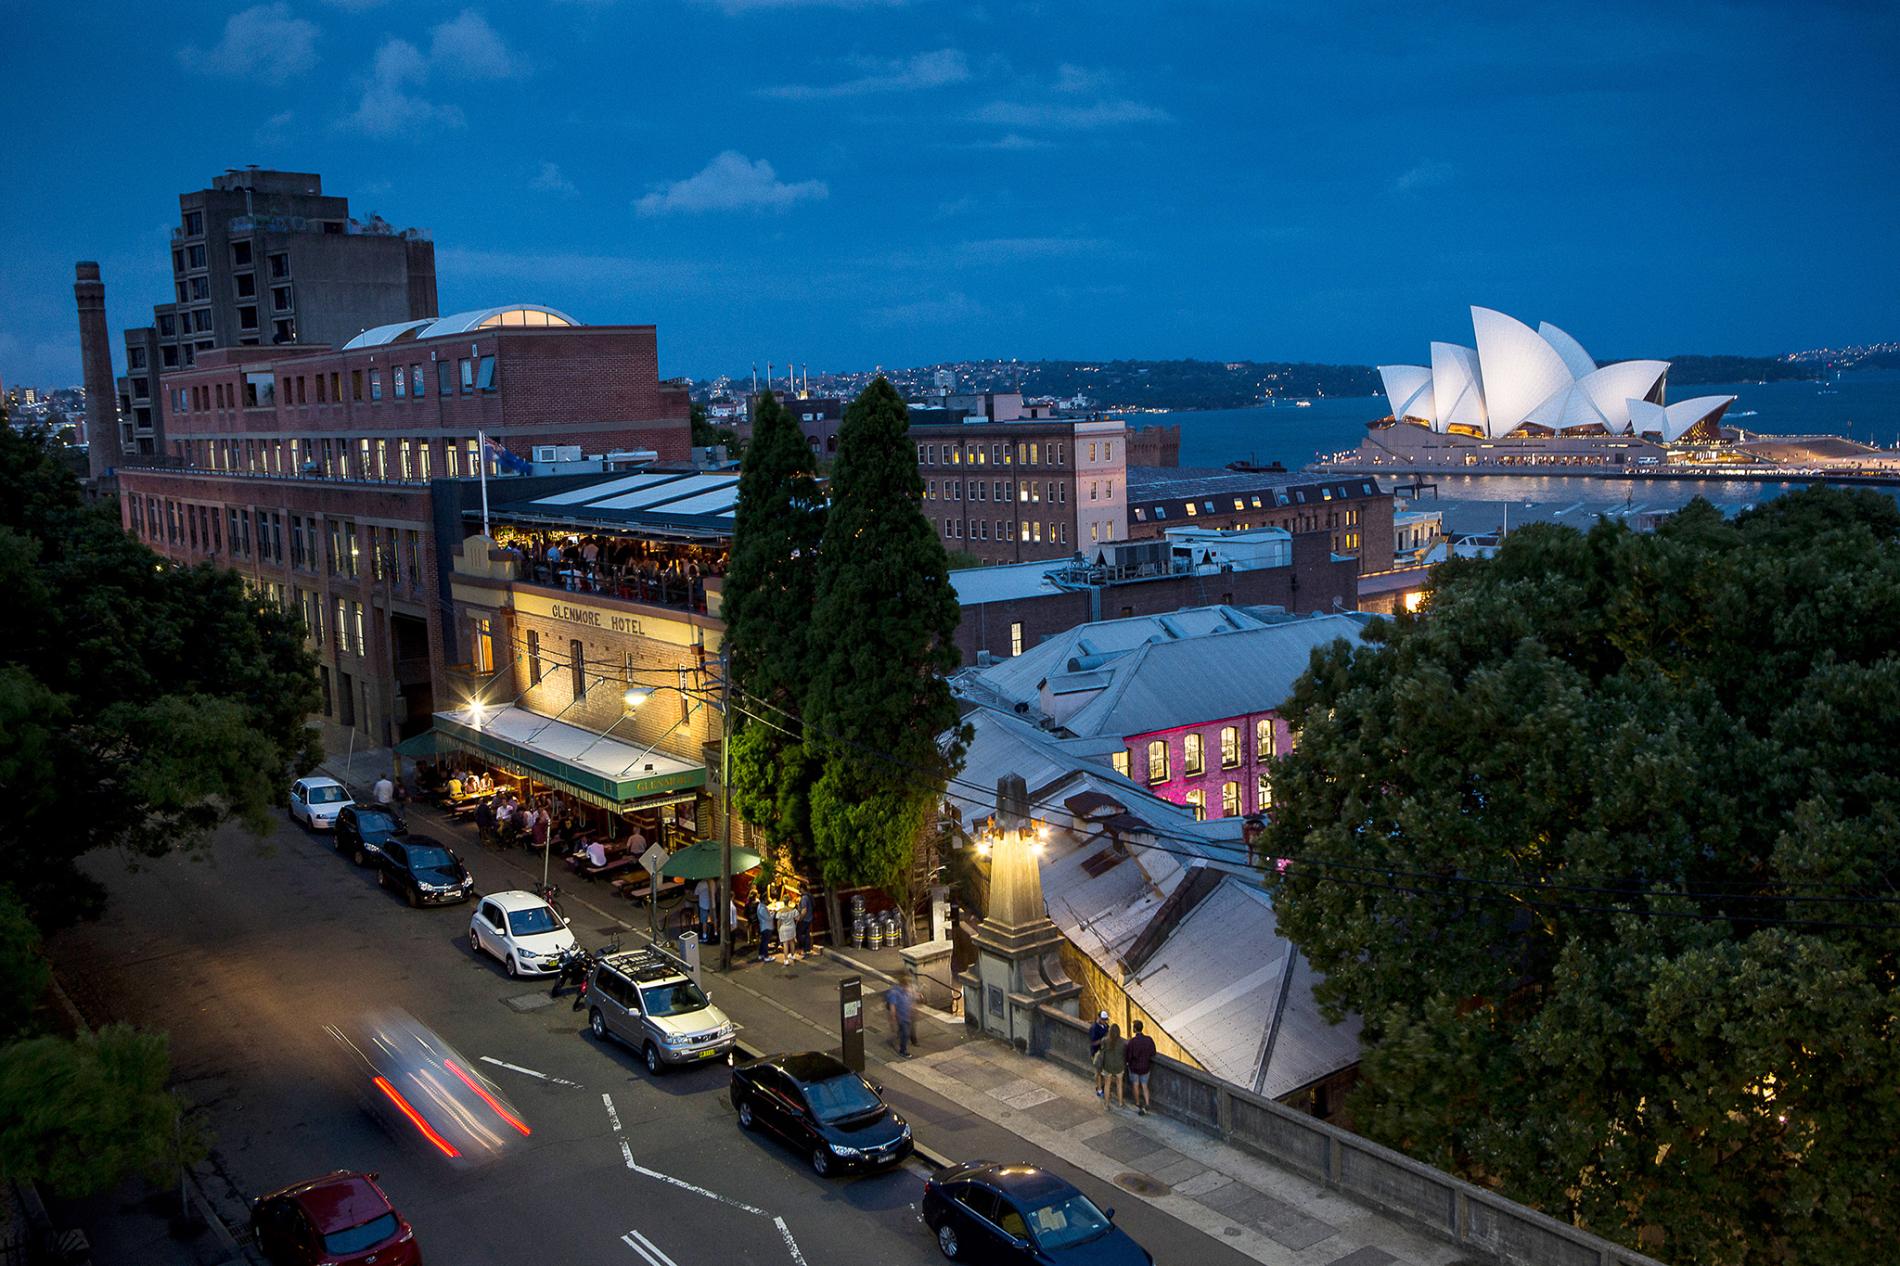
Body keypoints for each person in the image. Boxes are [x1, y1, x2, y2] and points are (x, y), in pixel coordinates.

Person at [1124, 1020, 1157, 1116]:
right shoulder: (1149, 1040)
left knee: (1135, 1084)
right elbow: (1153, 1052)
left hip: (1134, 1067)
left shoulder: (1132, 1042)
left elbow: (1128, 1056)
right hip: (1145, 1066)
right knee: (1144, 1085)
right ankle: (1147, 1103)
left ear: (1134, 1029)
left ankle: (1137, 1102)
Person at [1095, 1023, 1126, 1108]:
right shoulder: (1123, 1042)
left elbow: (1102, 1051)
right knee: (1119, 1084)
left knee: (1107, 1085)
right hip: (1119, 1066)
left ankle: (1106, 1104)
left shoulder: (1105, 1040)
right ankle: (1120, 1103)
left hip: (1107, 1065)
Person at [885, 973, 916, 1057]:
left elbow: (910, 1001)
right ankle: (903, 1051)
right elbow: (892, 1007)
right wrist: (893, 1018)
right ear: (903, 984)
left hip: (907, 1016)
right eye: (908, 985)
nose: (909, 987)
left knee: (902, 1032)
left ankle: (892, 1040)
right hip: (901, 1017)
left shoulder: (907, 991)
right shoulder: (894, 992)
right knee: (905, 1033)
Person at [1088, 1010, 1111, 1098]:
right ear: (1099, 1018)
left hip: (1104, 1052)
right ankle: (1099, 1089)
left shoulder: (1105, 1026)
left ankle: (1101, 1086)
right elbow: (1093, 1042)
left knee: (1103, 1072)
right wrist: (1103, 1040)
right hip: (1096, 1053)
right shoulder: (1094, 1028)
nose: (1105, 1021)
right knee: (1098, 1072)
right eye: (1103, 1019)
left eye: (1105, 1019)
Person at [775, 899, 799, 965]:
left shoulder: (780, 911)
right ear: (789, 901)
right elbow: (797, 918)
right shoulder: (793, 910)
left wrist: (778, 929)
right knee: (792, 942)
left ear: (783, 902)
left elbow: (778, 922)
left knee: (785, 944)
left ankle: (786, 960)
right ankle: (793, 955)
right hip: (792, 927)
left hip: (784, 928)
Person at [754, 892, 773, 963]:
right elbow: (768, 918)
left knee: (763, 941)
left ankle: (761, 954)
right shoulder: (762, 908)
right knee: (765, 942)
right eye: (766, 899)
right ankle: (766, 956)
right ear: (764, 899)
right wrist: (773, 913)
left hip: (764, 926)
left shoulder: (761, 906)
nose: (767, 900)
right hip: (766, 927)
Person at [795, 889, 813, 954]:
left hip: (804, 919)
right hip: (809, 918)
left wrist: (800, 918)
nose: (798, 890)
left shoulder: (804, 898)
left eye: (799, 888)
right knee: (807, 934)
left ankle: (802, 949)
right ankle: (807, 949)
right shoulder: (809, 896)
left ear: (802, 889)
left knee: (800, 934)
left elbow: (804, 910)